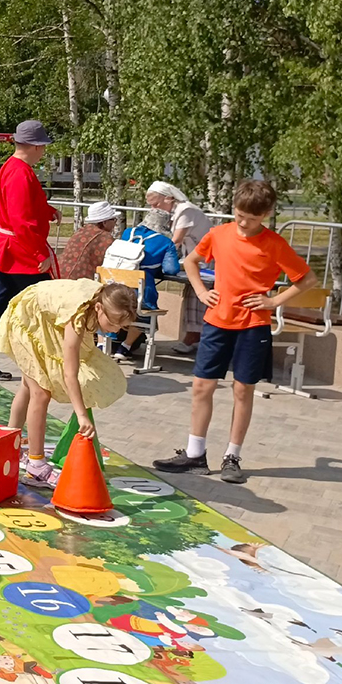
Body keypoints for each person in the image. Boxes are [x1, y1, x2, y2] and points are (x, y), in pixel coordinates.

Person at [153, 179, 316, 484]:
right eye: (239, 215)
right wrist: (201, 292)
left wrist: (273, 301)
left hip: (253, 326)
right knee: (202, 387)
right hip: (217, 321)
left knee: (243, 390)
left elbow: (307, 279)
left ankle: (232, 456)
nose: (243, 223)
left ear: (266, 215)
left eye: (251, 219)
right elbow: (191, 261)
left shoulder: (275, 244)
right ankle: (195, 454)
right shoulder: (219, 234)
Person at [0, 279, 138, 485]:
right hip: (26, 319)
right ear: (98, 308)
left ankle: (7, 446)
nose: (116, 331)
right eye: (112, 324)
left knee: (28, 387)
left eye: (122, 327)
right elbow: (70, 373)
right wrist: (82, 415)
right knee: (41, 392)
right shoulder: (78, 315)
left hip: (43, 319)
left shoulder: (102, 300)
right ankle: (36, 465)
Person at [0, 120, 62, 379]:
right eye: (43, 146)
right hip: (21, 252)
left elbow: (25, 206)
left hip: (10, 250)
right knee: (43, 307)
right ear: (35, 146)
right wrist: (40, 254)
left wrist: (47, 211)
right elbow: (21, 220)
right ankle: (50, 362)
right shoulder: (20, 173)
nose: (44, 151)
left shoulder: (12, 168)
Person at [146, 181, 211, 354]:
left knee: (197, 295)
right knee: (191, 295)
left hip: (208, 259)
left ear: (168, 198)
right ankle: (193, 336)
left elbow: (175, 241)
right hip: (195, 259)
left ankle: (194, 337)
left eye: (156, 204)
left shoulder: (186, 210)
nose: (154, 209)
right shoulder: (174, 212)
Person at [112, 208, 181, 361]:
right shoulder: (165, 242)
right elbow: (171, 269)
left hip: (114, 286)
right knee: (144, 313)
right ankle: (125, 347)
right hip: (140, 291)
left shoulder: (128, 233)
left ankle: (103, 345)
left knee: (116, 307)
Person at [58, 200, 118, 282]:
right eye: (114, 220)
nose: (115, 223)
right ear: (104, 222)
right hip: (78, 282)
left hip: (58, 276)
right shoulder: (105, 238)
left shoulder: (81, 231)